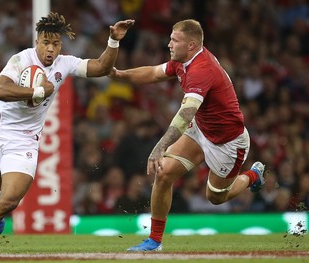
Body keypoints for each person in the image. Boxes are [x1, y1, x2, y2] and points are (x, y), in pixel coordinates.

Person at [0, 12, 134, 253]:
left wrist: (113, 40)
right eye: (46, 43)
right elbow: (0, 89)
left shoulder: (65, 63)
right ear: (37, 42)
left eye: (56, 44)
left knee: (10, 201)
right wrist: (37, 92)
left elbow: (102, 67)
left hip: (25, 140)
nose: (51, 49)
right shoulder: (21, 59)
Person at [110, 19, 266, 252]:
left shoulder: (202, 70)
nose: (169, 44)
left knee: (215, 197)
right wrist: (119, 74)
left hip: (227, 143)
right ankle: (154, 241)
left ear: (191, 45)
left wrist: (160, 146)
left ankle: (253, 176)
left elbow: (185, 114)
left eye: (175, 40)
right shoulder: (182, 61)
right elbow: (153, 73)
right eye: (171, 38)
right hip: (201, 129)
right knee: (163, 174)